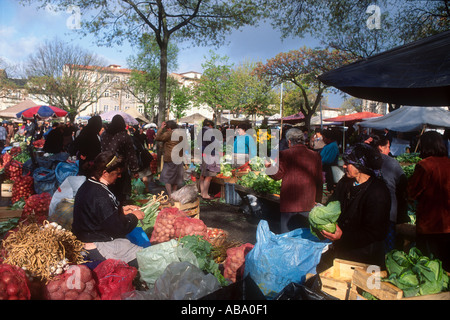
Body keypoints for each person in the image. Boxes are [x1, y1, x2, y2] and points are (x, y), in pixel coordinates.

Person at [321, 143, 391, 266]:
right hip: (342, 250)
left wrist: (343, 236)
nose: (344, 166)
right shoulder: (345, 182)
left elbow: (376, 232)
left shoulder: (378, 191)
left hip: (366, 257)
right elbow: (333, 203)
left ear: (360, 165)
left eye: (348, 163)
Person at [72, 151, 144, 268]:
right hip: (96, 245)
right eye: (117, 173)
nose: (119, 176)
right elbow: (118, 228)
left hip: (85, 238)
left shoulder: (88, 185)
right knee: (144, 257)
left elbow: (97, 213)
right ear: (105, 173)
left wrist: (121, 210)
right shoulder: (100, 194)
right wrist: (134, 217)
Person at [265, 128, 323, 233]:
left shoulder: (284, 154)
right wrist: (317, 200)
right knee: (305, 237)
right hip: (308, 203)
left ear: (289, 141)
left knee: (287, 238)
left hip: (289, 204)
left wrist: (268, 167)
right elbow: (319, 180)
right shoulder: (315, 155)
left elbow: (278, 175)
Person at [408, 131, 450, 270]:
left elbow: (412, 192)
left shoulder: (424, 165)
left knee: (428, 267)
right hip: (447, 225)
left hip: (429, 225)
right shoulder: (448, 163)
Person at [369, 135, 408, 252]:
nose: (389, 150)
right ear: (380, 147)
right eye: (388, 147)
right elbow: (403, 184)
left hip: (368, 213)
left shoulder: (364, 160)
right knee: (387, 252)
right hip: (388, 214)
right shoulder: (392, 163)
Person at [101, 115, 140, 203]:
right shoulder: (124, 136)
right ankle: (120, 209)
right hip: (120, 168)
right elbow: (131, 154)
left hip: (106, 165)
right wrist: (134, 170)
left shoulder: (104, 134)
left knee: (108, 188)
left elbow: (102, 149)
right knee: (121, 190)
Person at [155, 120, 185, 198]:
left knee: (167, 177)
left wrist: (161, 128)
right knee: (176, 177)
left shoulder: (169, 133)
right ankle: (174, 193)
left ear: (168, 128)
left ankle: (170, 194)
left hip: (170, 158)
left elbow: (158, 138)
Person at [198, 119, 220, 200]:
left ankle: (202, 193)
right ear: (210, 125)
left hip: (203, 154)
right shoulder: (209, 132)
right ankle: (205, 194)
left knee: (202, 174)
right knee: (209, 175)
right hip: (210, 155)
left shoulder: (200, 132)